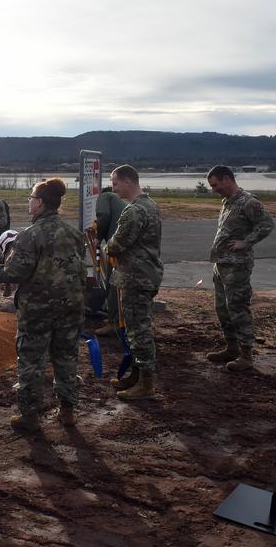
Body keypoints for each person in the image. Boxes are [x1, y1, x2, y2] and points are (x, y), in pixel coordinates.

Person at [0, 178, 85, 430]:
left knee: (31, 362)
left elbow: (15, 272)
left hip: (38, 310)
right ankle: (68, 411)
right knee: (66, 359)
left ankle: (30, 415)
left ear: (39, 203)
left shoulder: (30, 235)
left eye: (30, 198)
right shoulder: (74, 233)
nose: (29, 202)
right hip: (71, 307)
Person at [205, 165, 274, 371]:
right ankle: (232, 347)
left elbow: (267, 224)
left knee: (237, 308)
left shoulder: (248, 202)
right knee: (222, 309)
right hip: (222, 264)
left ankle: (246, 355)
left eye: (215, 185)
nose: (214, 189)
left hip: (237, 265)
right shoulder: (227, 202)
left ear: (227, 179)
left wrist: (246, 242)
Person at [105, 165, 163, 400]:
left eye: (115, 182)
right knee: (138, 327)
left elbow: (116, 245)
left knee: (138, 331)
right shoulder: (151, 205)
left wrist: (105, 247)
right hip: (144, 274)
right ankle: (138, 375)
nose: (113, 187)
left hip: (135, 278)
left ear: (129, 181)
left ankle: (146, 384)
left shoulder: (134, 211)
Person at [94, 186, 128, 337]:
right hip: (122, 247)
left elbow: (103, 214)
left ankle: (115, 323)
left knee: (113, 284)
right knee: (116, 283)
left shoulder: (105, 196)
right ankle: (116, 318)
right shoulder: (119, 203)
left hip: (117, 248)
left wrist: (98, 237)